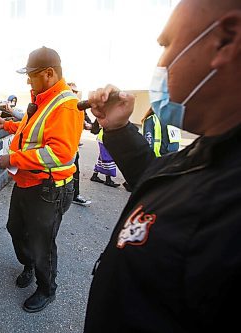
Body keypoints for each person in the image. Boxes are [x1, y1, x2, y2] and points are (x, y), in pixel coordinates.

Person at [83, 1, 241, 332]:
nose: (161, 62)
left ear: (226, 40)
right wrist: (118, 129)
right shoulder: (213, 150)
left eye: (167, 44)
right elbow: (166, 181)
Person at [0, 46, 85, 313]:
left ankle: (47, 289)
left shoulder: (66, 105)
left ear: (49, 73)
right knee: (15, 229)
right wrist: (6, 125)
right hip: (27, 183)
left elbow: (59, 153)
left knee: (43, 242)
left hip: (49, 188)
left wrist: (13, 159)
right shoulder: (43, 99)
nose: (28, 80)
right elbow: (29, 131)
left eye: (31, 75)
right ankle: (29, 264)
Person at [67, 82, 92, 206]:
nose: (74, 93)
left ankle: (75, 195)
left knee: (75, 171)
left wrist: (89, 125)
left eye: (76, 91)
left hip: (73, 147)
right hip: (61, 146)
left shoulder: (79, 106)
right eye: (71, 90)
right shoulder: (61, 105)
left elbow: (88, 122)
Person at [89, 119, 120, 188]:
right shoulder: (111, 112)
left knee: (102, 158)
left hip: (104, 137)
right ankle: (108, 179)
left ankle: (95, 175)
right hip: (106, 138)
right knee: (107, 159)